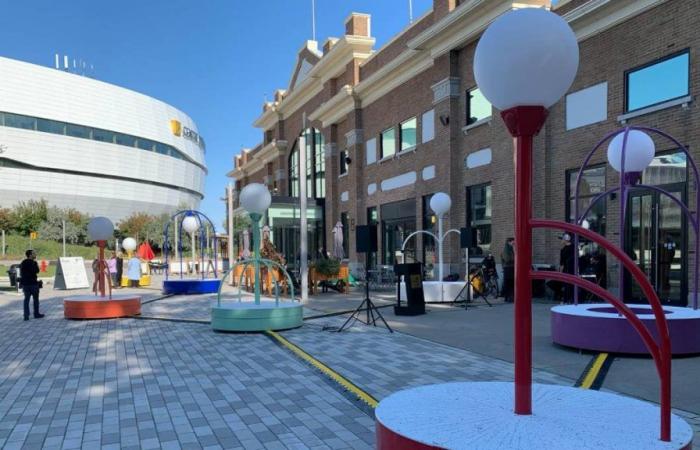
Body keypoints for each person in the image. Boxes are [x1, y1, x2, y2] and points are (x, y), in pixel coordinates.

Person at [20, 249, 44, 320]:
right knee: (35, 299)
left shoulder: (23, 262)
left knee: (26, 300)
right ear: (30, 255)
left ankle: (26, 316)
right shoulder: (33, 263)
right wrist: (35, 264)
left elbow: (22, 272)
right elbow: (36, 271)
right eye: (34, 253)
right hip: (33, 284)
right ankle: (36, 314)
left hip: (25, 284)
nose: (35, 254)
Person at [559, 233, 576, 302]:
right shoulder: (563, 249)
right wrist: (561, 269)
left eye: (562, 239)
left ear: (565, 240)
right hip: (566, 268)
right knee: (565, 284)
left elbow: (574, 258)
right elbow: (561, 261)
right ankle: (566, 298)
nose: (561, 241)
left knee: (571, 283)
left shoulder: (573, 247)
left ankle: (571, 298)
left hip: (571, 268)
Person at [500, 238, 515, 303]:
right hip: (508, 268)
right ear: (509, 242)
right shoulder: (506, 250)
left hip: (511, 268)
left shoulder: (511, 249)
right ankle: (507, 297)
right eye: (512, 242)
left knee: (510, 283)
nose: (514, 243)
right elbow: (507, 259)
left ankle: (510, 297)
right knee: (508, 283)